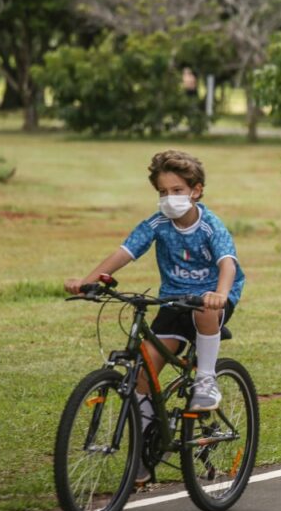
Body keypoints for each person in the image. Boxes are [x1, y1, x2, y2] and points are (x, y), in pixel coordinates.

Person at [64, 149, 245, 425]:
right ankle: (145, 448)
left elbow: (227, 264)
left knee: (203, 311)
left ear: (195, 191)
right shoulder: (157, 224)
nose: (169, 198)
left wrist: (219, 294)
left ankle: (206, 380)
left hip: (212, 298)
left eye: (177, 190)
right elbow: (125, 252)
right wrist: (87, 282)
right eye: (163, 192)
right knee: (143, 371)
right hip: (172, 301)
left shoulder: (210, 226)